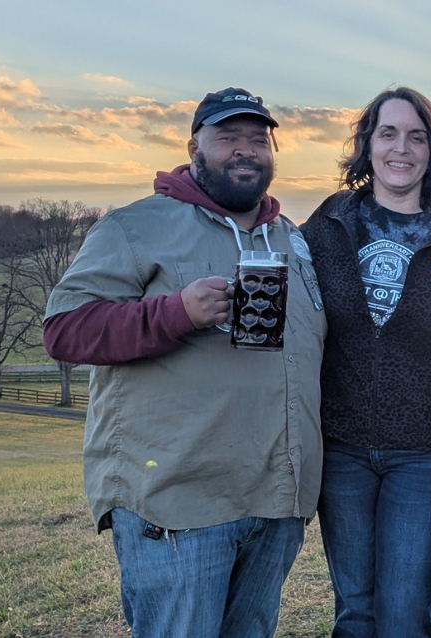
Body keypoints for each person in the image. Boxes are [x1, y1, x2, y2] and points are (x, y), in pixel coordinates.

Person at [42, 87, 326, 638]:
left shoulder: (292, 240)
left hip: (274, 503)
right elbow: (64, 330)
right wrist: (174, 314)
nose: (245, 150)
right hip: (178, 506)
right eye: (228, 138)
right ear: (194, 144)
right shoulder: (136, 227)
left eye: (257, 139)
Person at [300, 87, 431, 638]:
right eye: (388, 133)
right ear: (367, 145)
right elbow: (277, 284)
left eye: (417, 136)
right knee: (355, 612)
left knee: (402, 615)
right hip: (341, 448)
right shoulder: (330, 222)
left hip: (424, 453)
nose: (402, 148)